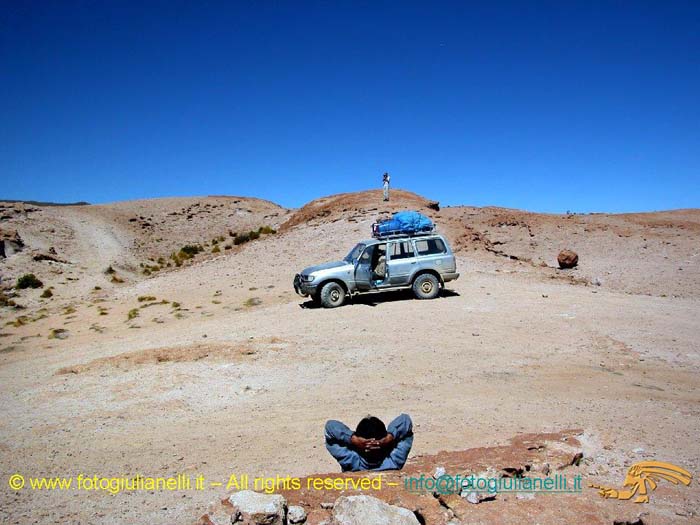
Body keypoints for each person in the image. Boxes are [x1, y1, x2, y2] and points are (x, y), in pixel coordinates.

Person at [324, 414, 413, 471]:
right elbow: (405, 420)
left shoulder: (352, 461)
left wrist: (353, 439)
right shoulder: (394, 460)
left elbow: (330, 427)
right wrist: (389, 438)